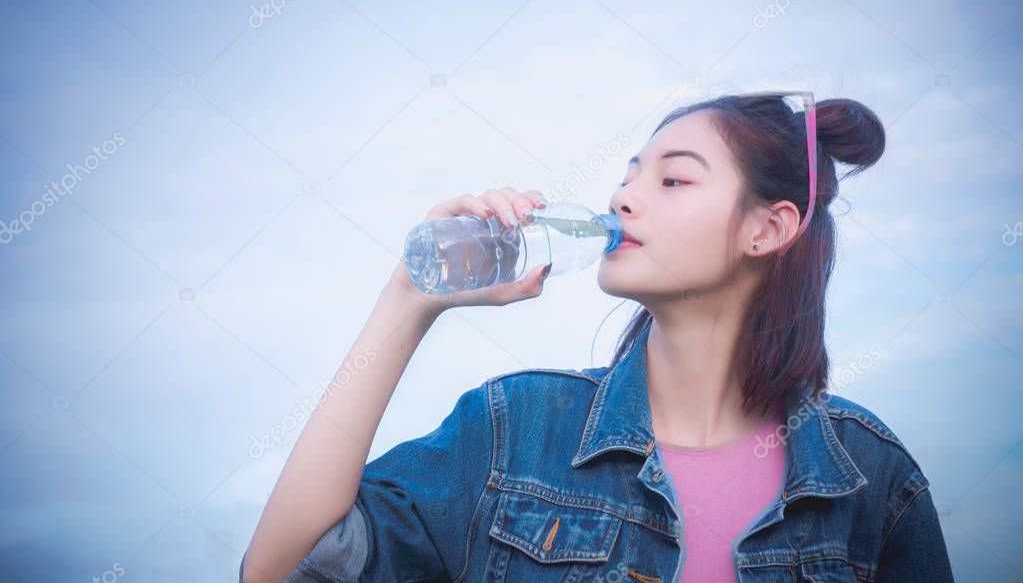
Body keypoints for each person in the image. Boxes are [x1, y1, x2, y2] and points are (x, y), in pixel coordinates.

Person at [239, 93, 955, 583]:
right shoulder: (515, 428)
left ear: (766, 228)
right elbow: (282, 568)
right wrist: (409, 299)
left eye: (673, 179)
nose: (622, 196)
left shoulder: (870, 476)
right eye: (629, 174)